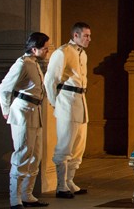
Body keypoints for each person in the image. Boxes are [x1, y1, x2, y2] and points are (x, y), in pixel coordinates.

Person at [0, 32, 52, 209]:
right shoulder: (22, 63)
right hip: (22, 112)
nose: (47, 51)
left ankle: (27, 195)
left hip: (35, 111)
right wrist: (6, 110)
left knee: (35, 156)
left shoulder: (33, 63)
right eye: (45, 48)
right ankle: (15, 199)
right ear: (34, 49)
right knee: (22, 154)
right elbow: (3, 88)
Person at [42, 22, 91, 198]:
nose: (89, 39)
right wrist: (55, 102)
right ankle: (61, 185)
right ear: (75, 35)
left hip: (80, 101)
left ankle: (70, 181)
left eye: (89, 36)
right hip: (67, 101)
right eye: (86, 36)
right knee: (65, 145)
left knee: (78, 146)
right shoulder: (62, 52)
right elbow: (50, 79)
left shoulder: (82, 54)